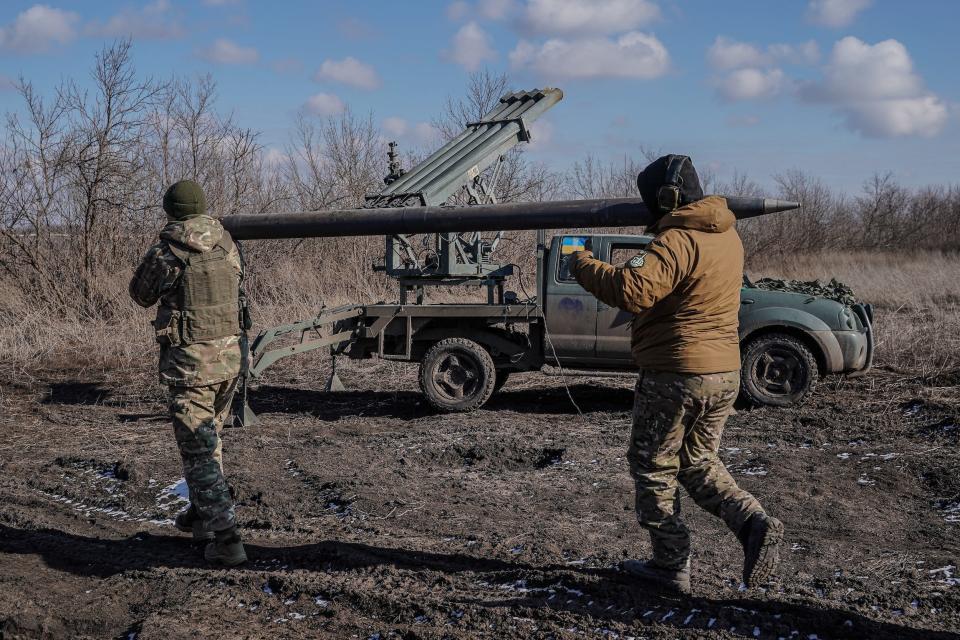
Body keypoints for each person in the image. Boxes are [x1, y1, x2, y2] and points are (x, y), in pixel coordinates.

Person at [568, 155, 783, 594]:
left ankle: (669, 566)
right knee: (698, 461)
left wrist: (581, 262)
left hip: (676, 373)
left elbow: (633, 290)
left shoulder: (678, 239)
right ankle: (752, 521)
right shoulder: (727, 235)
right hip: (723, 371)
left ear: (667, 198)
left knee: (653, 466)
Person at [129, 179, 247, 567]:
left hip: (190, 367)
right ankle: (202, 514)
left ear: (171, 211)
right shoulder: (228, 244)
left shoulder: (167, 252)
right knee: (208, 443)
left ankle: (227, 539)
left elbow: (141, 294)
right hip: (229, 362)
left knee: (199, 452)